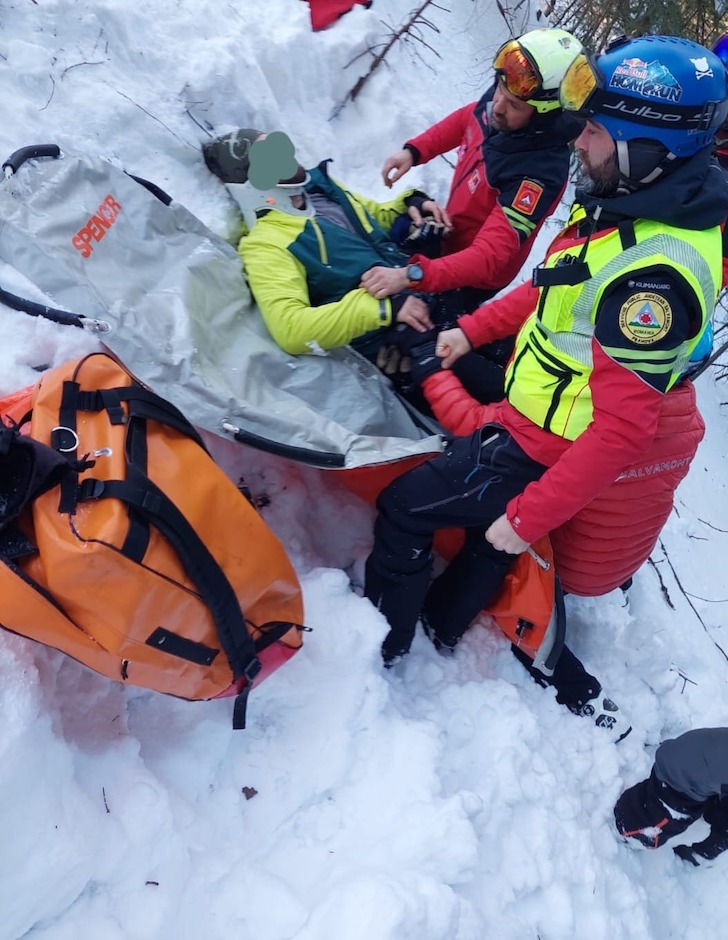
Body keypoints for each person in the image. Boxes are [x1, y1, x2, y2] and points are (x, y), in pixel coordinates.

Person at [363, 35, 728, 731]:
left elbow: (623, 431)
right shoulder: (637, 202)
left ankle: (384, 639)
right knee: (484, 534)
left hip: (543, 443)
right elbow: (551, 285)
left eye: (593, 130)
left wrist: (526, 517)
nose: (578, 142)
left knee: (409, 507)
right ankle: (446, 622)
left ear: (645, 151)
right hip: (532, 406)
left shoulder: (650, 280)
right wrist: (471, 332)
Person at [361, 26, 584, 400]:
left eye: (513, 106)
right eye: (498, 90)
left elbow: (486, 258)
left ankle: (425, 388)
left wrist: (411, 276)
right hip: (453, 232)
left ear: (544, 115)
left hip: (475, 274)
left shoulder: (539, 172)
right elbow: (468, 118)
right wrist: (414, 151)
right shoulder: (508, 97)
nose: (498, 105)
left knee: (433, 332)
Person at [202, 127, 443, 362]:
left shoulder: (319, 188)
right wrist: (382, 308)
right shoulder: (266, 244)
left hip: (425, 290)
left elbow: (372, 218)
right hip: (401, 340)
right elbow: (291, 329)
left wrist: (412, 206)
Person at [615, 728, 728, 866]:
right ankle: (627, 834)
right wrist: (704, 853)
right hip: (675, 785)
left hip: (675, 756)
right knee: (641, 827)